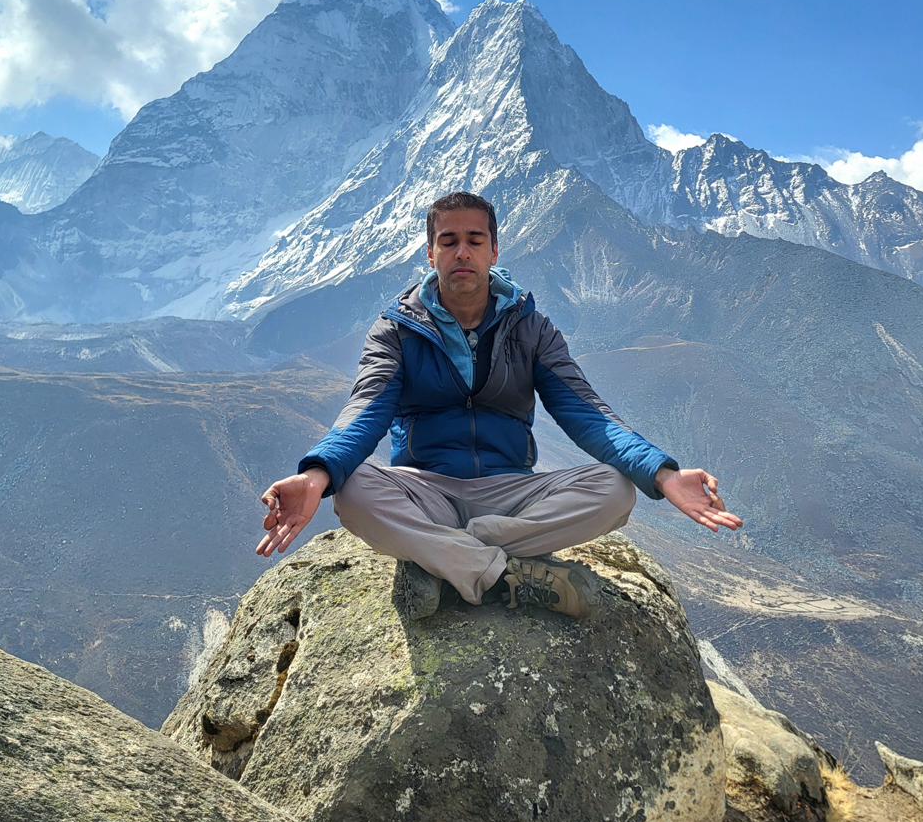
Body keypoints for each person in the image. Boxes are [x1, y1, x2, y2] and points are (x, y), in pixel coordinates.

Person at [257, 191, 743, 620]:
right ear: (431, 253)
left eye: (474, 239)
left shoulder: (531, 330)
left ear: (494, 250)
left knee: (616, 489)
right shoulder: (396, 333)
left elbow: (586, 413)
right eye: (448, 241)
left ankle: (442, 559)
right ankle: (506, 574)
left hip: (511, 490)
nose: (461, 251)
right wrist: (318, 474)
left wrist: (661, 473)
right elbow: (366, 411)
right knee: (353, 490)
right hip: (426, 489)